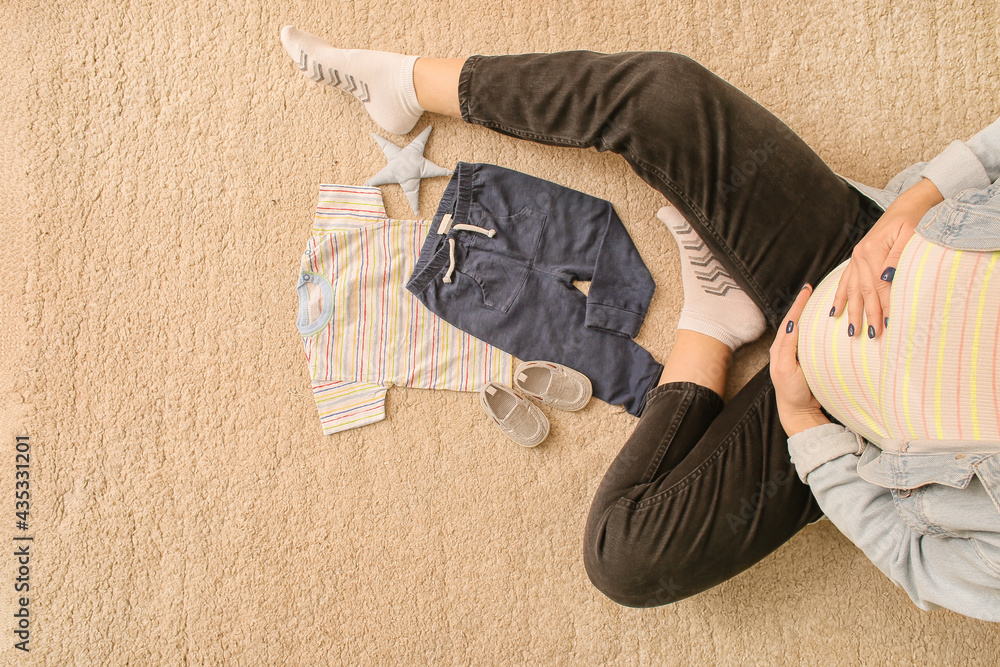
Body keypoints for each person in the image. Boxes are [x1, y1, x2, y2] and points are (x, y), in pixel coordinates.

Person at [279, 27, 1000, 621]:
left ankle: (712, 324)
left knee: (622, 554)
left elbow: (917, 561)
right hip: (862, 249)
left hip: (843, 425)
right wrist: (914, 207)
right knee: (665, 95)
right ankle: (407, 85)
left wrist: (804, 422)